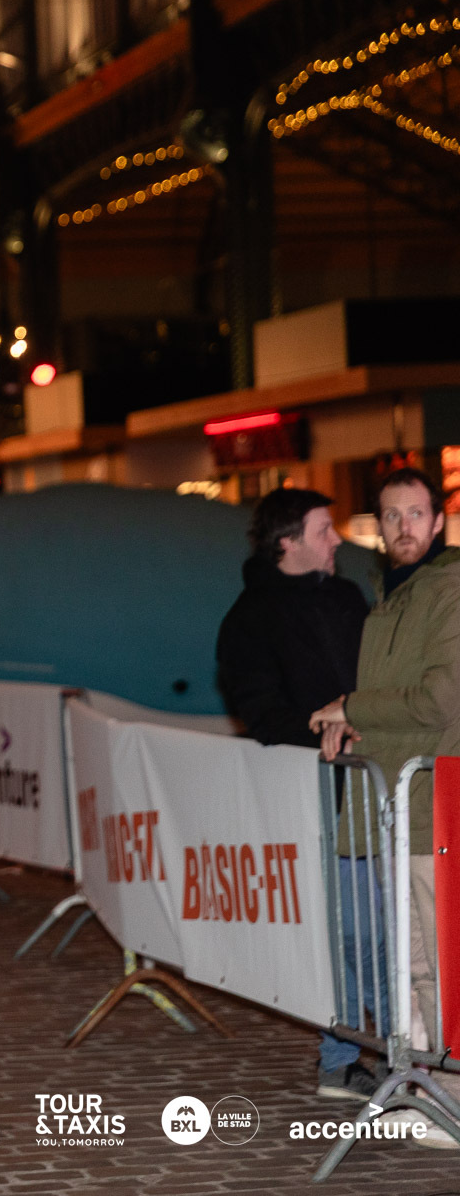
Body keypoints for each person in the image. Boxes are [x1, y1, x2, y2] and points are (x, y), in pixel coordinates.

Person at [312, 466, 460, 1148]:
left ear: (439, 522)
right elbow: (399, 699)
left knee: (443, 963)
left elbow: (441, 699)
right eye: (391, 515)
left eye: (416, 514)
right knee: (417, 965)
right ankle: (432, 1091)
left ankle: (453, 1098)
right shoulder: (391, 596)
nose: (403, 527)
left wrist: (353, 707)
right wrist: (356, 724)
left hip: (436, 805)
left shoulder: (449, 588)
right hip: (399, 805)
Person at [215, 488, 378, 1099]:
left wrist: (366, 718)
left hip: (373, 787)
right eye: (323, 530)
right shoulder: (249, 620)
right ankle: (344, 1057)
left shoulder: (347, 598)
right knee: (349, 934)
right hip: (315, 798)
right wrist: (328, 730)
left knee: (384, 929)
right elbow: (261, 712)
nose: (337, 540)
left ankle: (392, 1049)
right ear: (287, 543)